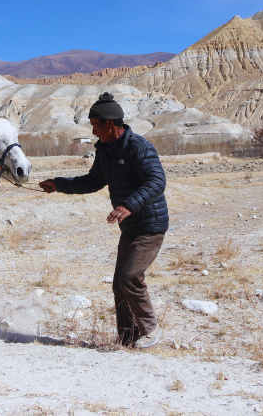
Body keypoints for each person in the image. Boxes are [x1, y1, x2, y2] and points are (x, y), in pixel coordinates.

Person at [39, 93, 169, 348]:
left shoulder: (139, 147)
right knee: (119, 286)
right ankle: (127, 339)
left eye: (95, 125)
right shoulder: (106, 151)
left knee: (129, 277)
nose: (93, 131)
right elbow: (93, 181)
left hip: (150, 225)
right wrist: (60, 184)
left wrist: (129, 205)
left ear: (110, 125)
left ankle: (151, 330)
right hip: (130, 227)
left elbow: (157, 181)